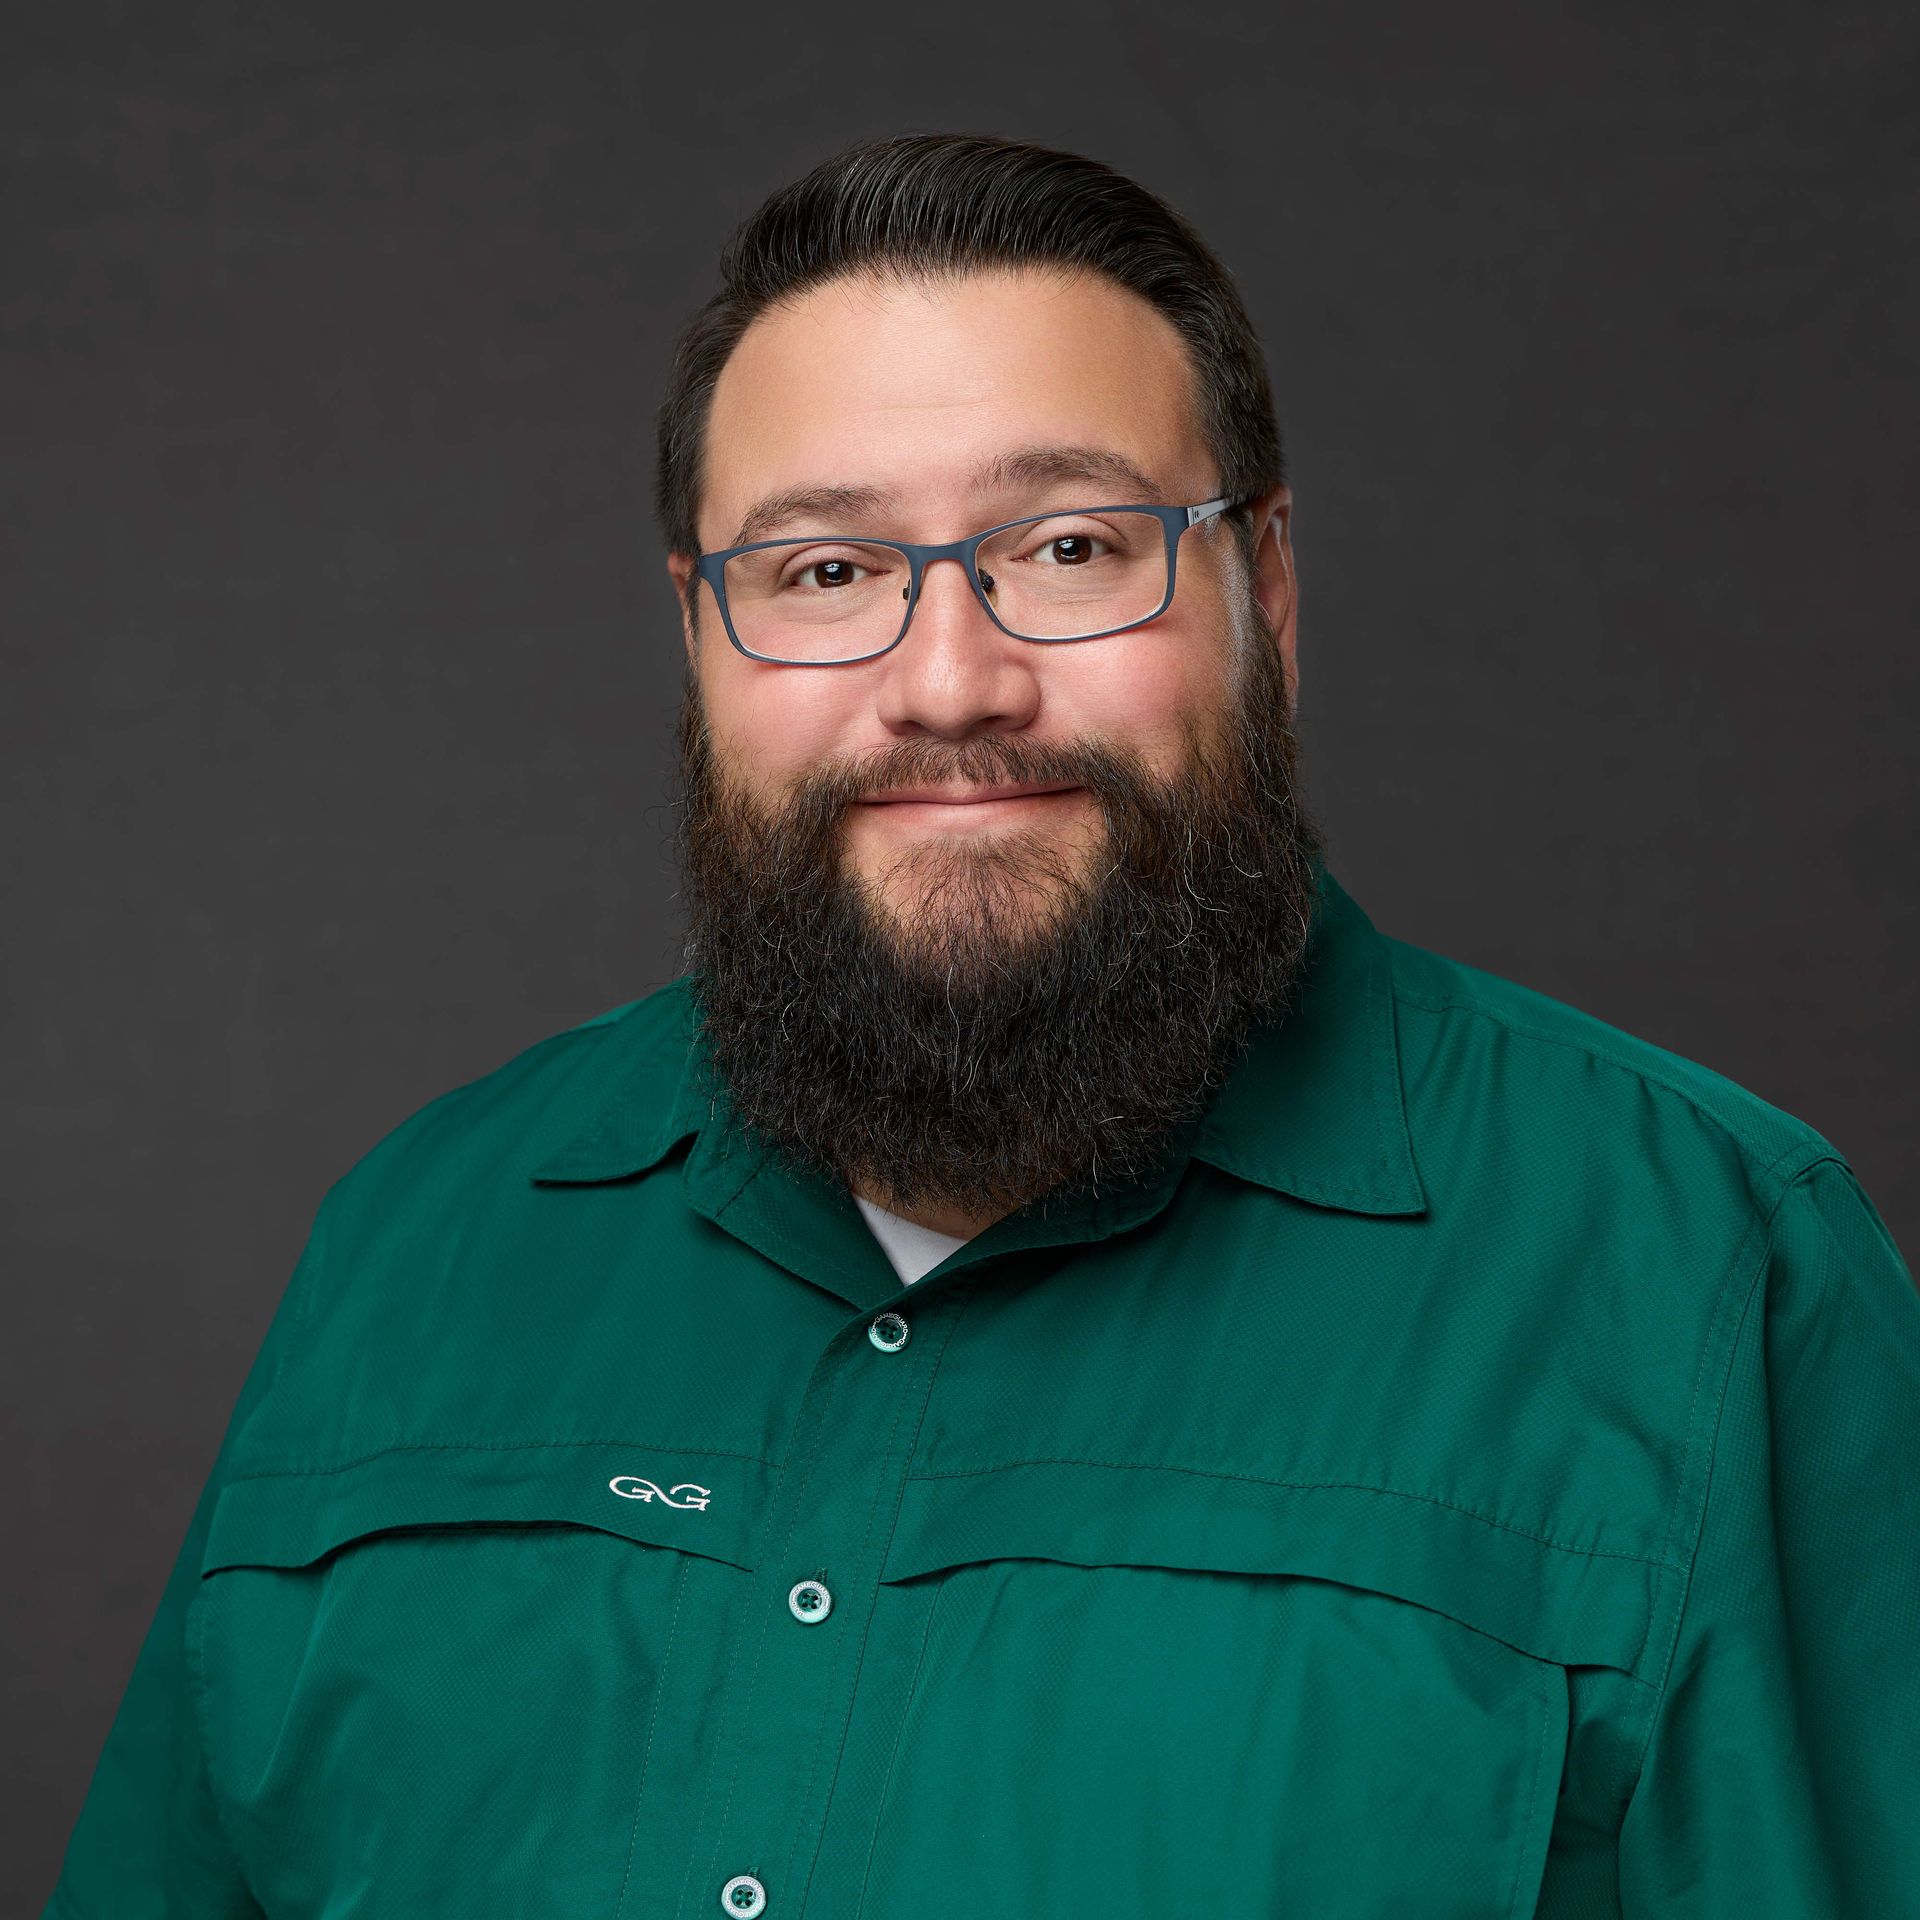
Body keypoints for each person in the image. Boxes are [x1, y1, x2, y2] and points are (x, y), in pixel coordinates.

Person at [44, 132, 1919, 1919]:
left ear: (1262, 587)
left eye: (1075, 547)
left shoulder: (1700, 1273)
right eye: (827, 574)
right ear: (699, 636)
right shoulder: (418, 1246)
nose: (952, 684)